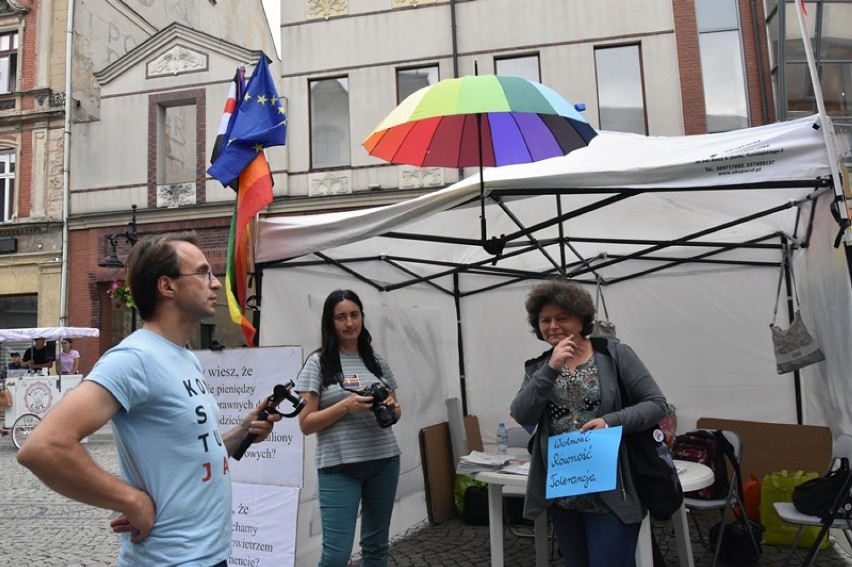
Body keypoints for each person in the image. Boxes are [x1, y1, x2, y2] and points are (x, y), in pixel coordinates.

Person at [17, 232, 280, 567]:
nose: (215, 283)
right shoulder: (134, 358)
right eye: (202, 273)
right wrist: (131, 500)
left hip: (211, 555)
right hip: (170, 559)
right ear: (167, 287)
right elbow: (43, 447)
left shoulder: (185, 357)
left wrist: (242, 432)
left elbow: (191, 453)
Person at [510, 279, 669, 567]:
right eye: (545, 320)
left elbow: (657, 405)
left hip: (611, 492)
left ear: (581, 319)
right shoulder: (538, 367)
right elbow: (522, 415)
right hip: (564, 493)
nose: (553, 326)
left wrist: (611, 421)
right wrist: (551, 368)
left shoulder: (614, 354)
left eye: (562, 317)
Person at [295, 289, 402, 567]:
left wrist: (391, 405)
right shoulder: (318, 363)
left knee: (377, 547)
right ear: (330, 323)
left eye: (354, 315)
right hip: (339, 468)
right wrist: (346, 406)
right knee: (336, 554)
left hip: (384, 460)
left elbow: (397, 410)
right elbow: (305, 424)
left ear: (362, 317)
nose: (349, 323)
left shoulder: (376, 361)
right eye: (341, 317)